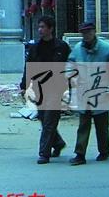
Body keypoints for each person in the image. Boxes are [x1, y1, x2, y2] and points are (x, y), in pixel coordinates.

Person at [19, 16, 71, 164]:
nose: (40, 30)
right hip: (39, 89)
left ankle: (44, 153)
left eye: (43, 27)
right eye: (39, 27)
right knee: (44, 119)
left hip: (56, 89)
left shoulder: (62, 47)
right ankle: (58, 143)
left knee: (49, 121)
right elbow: (28, 68)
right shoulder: (35, 48)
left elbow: (71, 66)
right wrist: (24, 86)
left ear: (51, 29)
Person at [68, 23, 109, 166]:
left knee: (101, 124)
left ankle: (104, 151)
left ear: (94, 32)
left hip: (101, 90)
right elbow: (71, 64)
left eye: (88, 32)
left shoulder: (106, 48)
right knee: (83, 124)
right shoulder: (78, 48)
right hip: (84, 90)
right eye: (83, 33)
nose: (86, 35)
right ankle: (80, 154)